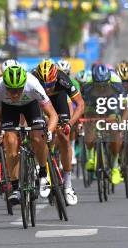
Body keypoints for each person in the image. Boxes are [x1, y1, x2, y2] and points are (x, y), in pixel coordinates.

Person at [0, 65, 59, 205]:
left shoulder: (33, 85)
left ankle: (43, 173)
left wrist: (49, 131)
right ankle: (15, 187)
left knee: (38, 136)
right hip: (9, 109)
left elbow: (53, 115)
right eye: (11, 90)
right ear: (5, 86)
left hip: (31, 105)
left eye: (18, 90)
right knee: (10, 142)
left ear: (24, 85)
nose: (14, 94)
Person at [32, 60, 84, 205]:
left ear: (55, 79)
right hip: (38, 101)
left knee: (64, 137)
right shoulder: (33, 79)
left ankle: (68, 184)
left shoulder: (63, 79)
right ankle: (42, 170)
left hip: (58, 100)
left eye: (50, 84)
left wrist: (69, 123)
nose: (47, 88)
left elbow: (80, 104)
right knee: (37, 134)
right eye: (44, 84)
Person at [83, 64, 128, 185]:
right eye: (98, 85)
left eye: (104, 84)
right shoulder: (87, 86)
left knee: (114, 127)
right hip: (94, 105)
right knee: (89, 127)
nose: (102, 88)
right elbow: (82, 107)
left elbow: (127, 107)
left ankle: (114, 168)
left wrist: (122, 123)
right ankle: (90, 157)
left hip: (111, 105)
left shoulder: (116, 84)